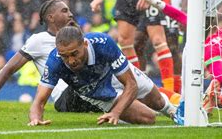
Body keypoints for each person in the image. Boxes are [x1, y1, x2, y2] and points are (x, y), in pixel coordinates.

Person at [0, 0, 100, 113]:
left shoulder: (78, 37)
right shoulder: (38, 40)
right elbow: (8, 69)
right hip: (66, 97)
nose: (70, 14)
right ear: (51, 17)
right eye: (64, 11)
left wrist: (80, 36)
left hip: (84, 89)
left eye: (69, 11)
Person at [28, 26, 177, 126]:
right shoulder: (55, 61)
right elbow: (39, 101)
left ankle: (173, 110)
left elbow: (131, 85)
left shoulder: (103, 43)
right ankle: (125, 114)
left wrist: (117, 111)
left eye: (74, 54)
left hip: (116, 74)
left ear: (85, 44)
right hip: (100, 94)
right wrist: (35, 118)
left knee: (158, 102)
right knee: (149, 118)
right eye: (65, 56)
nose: (71, 61)